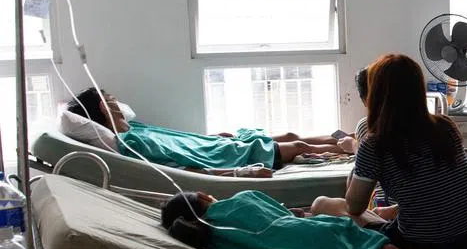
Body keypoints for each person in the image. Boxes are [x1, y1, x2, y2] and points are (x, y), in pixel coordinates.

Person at [315, 54, 467, 249]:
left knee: (323, 204)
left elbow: (354, 207)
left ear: (375, 95)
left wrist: (358, 168)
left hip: (426, 246)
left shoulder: (375, 145)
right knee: (379, 216)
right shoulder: (445, 127)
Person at [67, 87, 354, 177]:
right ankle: (349, 150)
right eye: (111, 99)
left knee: (291, 136)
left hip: (215, 145)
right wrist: (233, 170)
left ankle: (342, 138)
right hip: (222, 158)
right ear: (103, 109)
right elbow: (178, 164)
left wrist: (211, 138)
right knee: (299, 146)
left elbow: (181, 141)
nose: (117, 102)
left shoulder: (135, 127)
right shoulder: (130, 142)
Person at [160, 190, 425, 249]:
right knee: (348, 230)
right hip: (306, 232)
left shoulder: (210, 240)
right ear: (207, 196)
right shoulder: (242, 198)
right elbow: (284, 217)